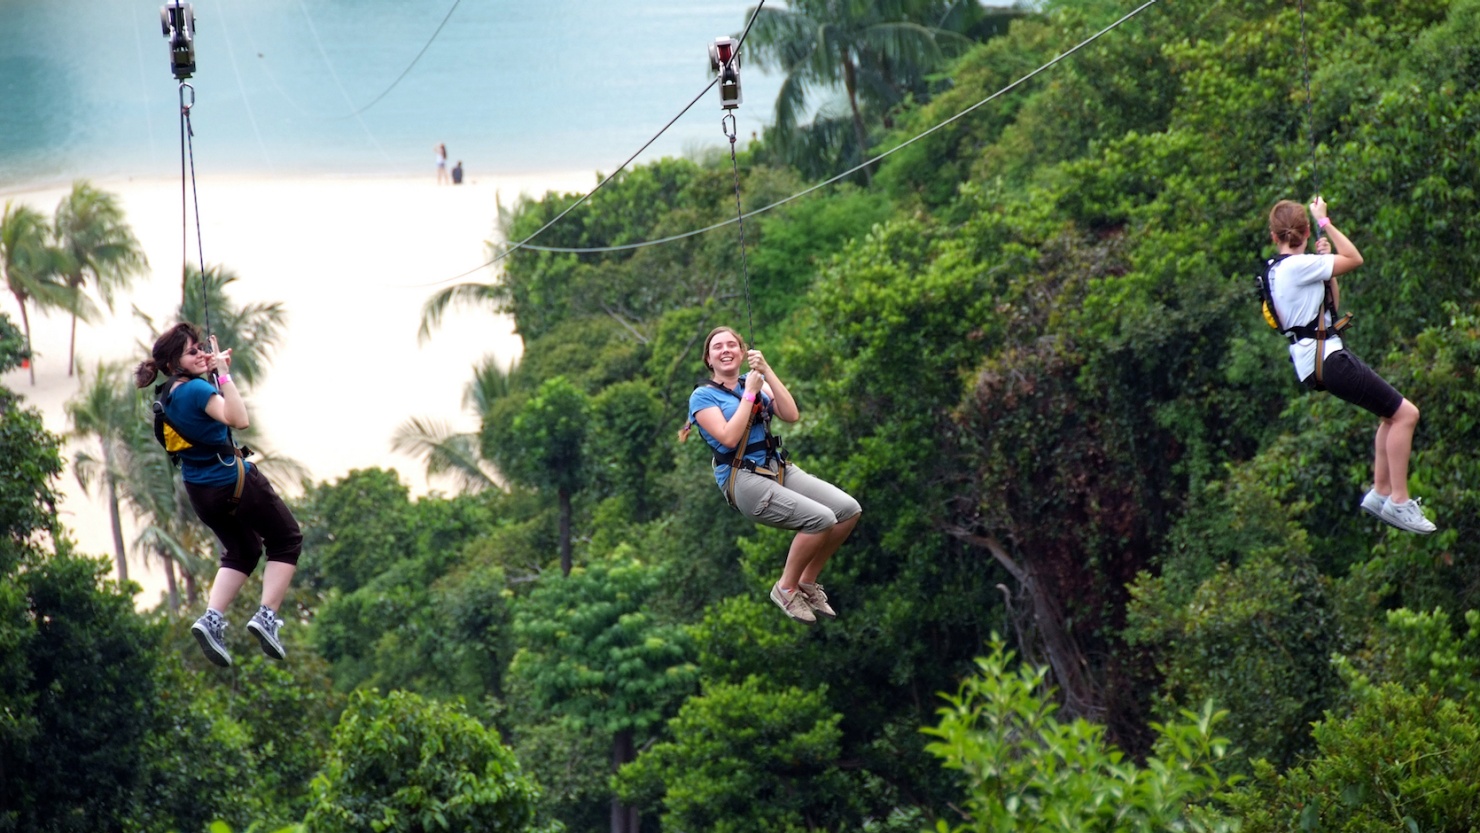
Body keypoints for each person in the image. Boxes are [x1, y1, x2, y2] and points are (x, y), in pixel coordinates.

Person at [134, 323, 304, 666]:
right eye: (192, 351)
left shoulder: (169, 395)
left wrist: (212, 373)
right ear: (172, 364)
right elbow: (237, 419)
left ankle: (212, 618)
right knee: (287, 539)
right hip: (233, 482)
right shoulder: (196, 391)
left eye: (200, 348)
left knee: (243, 551)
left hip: (202, 495)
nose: (201, 354)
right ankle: (267, 616)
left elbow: (203, 419)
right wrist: (223, 375)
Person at [1264, 197, 1435, 534]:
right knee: (1406, 415)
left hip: (1318, 361)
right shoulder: (1299, 266)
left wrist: (1325, 261)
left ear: (1274, 236)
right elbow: (1356, 258)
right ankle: (1399, 501)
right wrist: (1325, 222)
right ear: (1305, 231)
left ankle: (1380, 492)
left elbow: (1331, 308)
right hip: (1329, 359)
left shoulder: (1279, 271)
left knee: (1390, 416)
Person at [681, 326, 862, 623]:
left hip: (776, 467)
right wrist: (750, 394)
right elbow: (728, 438)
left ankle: (806, 581)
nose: (725, 350)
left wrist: (766, 373)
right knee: (822, 519)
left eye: (732, 345)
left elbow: (791, 415)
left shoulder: (752, 381)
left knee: (848, 510)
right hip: (743, 479)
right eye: (717, 347)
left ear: (742, 353)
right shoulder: (703, 397)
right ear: (708, 360)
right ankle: (785, 588)